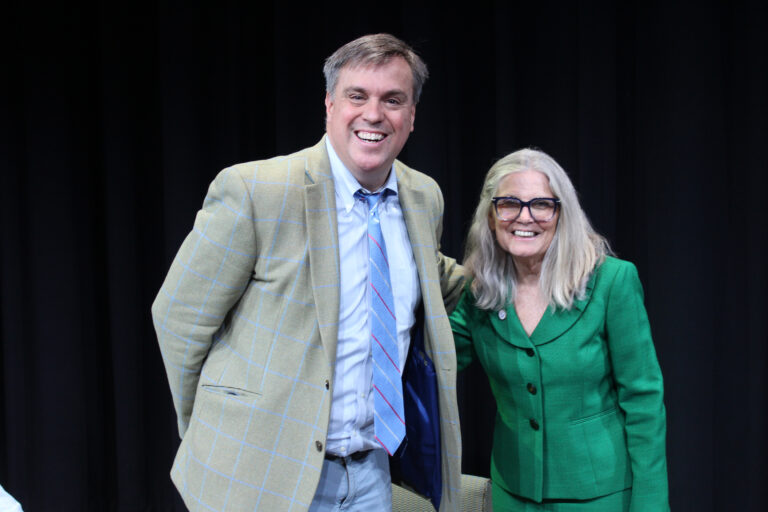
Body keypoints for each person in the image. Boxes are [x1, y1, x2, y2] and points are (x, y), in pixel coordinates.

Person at [151, 34, 465, 512]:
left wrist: (535, 257)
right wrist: (217, 425)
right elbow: (178, 318)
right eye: (357, 95)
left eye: (393, 100)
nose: (374, 114)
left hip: (370, 474)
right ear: (329, 104)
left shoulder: (423, 197)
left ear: (413, 115)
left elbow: (433, 279)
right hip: (259, 472)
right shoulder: (257, 190)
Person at [449, 149, 669, 511]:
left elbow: (643, 401)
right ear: (490, 216)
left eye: (541, 204)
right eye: (509, 204)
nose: (525, 217)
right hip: (513, 495)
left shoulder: (612, 281)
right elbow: (433, 360)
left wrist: (651, 504)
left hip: (600, 496)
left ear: (562, 213)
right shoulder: (478, 292)